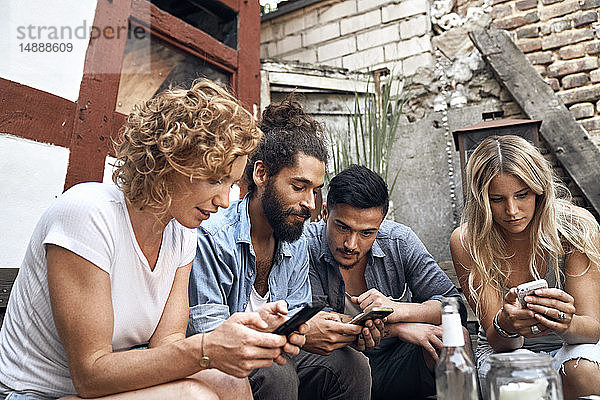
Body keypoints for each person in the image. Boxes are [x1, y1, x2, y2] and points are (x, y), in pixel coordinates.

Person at [0, 79, 305, 400]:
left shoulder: (183, 234)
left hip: (111, 390)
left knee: (229, 380)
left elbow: (169, 345)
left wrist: (242, 332)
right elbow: (89, 375)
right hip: (36, 393)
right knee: (194, 397)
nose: (225, 200)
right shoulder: (88, 214)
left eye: (230, 183)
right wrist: (207, 348)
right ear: (171, 162)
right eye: (215, 179)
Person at [188, 99, 372, 400]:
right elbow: (207, 332)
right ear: (261, 174)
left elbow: (297, 314)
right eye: (299, 187)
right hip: (218, 360)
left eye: (315, 190)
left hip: (274, 350)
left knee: (352, 365)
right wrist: (293, 333)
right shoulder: (213, 235)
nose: (310, 204)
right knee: (276, 370)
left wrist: (318, 329)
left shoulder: (294, 240)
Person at [450, 135, 600, 400]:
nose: (511, 210)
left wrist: (562, 322)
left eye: (523, 194)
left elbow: (590, 330)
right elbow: (499, 341)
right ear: (480, 200)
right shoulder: (467, 240)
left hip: (573, 345)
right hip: (505, 353)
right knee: (522, 385)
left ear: (540, 189)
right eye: (496, 199)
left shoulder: (574, 227)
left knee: (583, 370)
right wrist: (507, 323)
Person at [304, 164, 468, 400]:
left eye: (366, 233)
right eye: (343, 227)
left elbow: (455, 306)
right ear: (325, 213)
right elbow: (322, 324)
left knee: (456, 335)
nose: (351, 243)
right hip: (336, 364)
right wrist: (399, 329)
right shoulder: (304, 246)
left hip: (396, 362)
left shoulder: (399, 240)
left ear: (380, 224)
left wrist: (401, 311)